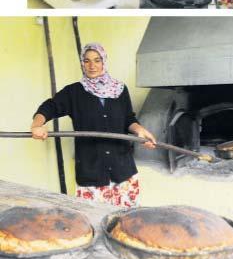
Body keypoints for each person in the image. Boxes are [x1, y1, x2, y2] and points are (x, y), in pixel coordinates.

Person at [30, 43, 156, 207]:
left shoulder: (120, 89)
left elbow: (128, 119)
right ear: (82, 63)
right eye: (87, 61)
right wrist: (36, 125)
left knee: (125, 223)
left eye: (97, 60)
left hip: (123, 171)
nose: (92, 66)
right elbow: (48, 108)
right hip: (92, 173)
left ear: (104, 61)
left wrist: (140, 131)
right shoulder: (74, 92)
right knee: (94, 221)